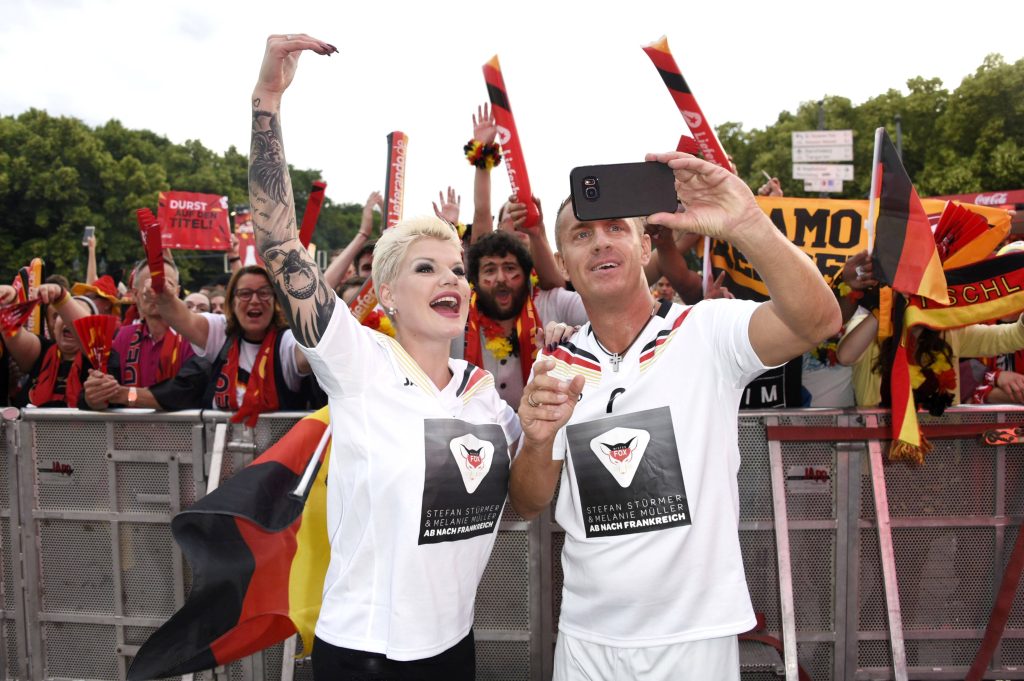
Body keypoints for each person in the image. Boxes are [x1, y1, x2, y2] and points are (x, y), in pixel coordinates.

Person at [247, 33, 577, 680]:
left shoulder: (481, 392)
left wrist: (540, 437)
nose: (451, 278)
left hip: (454, 648)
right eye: (426, 268)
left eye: (457, 269)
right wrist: (267, 100)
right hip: (365, 654)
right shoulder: (359, 360)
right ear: (389, 294)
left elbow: (525, 503)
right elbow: (280, 245)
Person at [509, 151, 840, 680]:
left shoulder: (705, 331)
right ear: (563, 264)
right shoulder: (554, 366)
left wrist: (748, 223)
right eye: (581, 235)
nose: (600, 243)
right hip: (586, 639)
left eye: (616, 228)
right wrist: (535, 441)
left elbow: (818, 321)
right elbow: (528, 503)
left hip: (694, 637)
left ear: (645, 246)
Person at [146, 264, 316, 421]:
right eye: (245, 294)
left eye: (264, 293)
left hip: (278, 444)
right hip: (220, 443)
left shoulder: (286, 343)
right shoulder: (221, 332)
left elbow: (309, 352)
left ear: (275, 301)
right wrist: (164, 296)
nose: (255, 300)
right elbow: (183, 319)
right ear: (233, 302)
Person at [457, 229, 587, 407]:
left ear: (526, 275)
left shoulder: (552, 303)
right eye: (490, 270)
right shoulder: (458, 317)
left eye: (510, 268)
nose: (501, 278)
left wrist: (576, 333)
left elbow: (602, 310)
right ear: (475, 281)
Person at [82, 259, 195, 410]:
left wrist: (125, 395)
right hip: (129, 426)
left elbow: (185, 393)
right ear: (135, 294)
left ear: (177, 292)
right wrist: (95, 394)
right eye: (148, 288)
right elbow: (101, 392)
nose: (156, 294)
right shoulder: (123, 337)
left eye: (165, 287)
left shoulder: (194, 337)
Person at [0, 283, 93, 408]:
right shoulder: (42, 351)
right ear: (53, 327)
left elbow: (88, 333)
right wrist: (9, 302)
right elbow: (11, 330)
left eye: (70, 314)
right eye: (60, 315)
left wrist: (60, 296)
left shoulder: (102, 360)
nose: (67, 321)